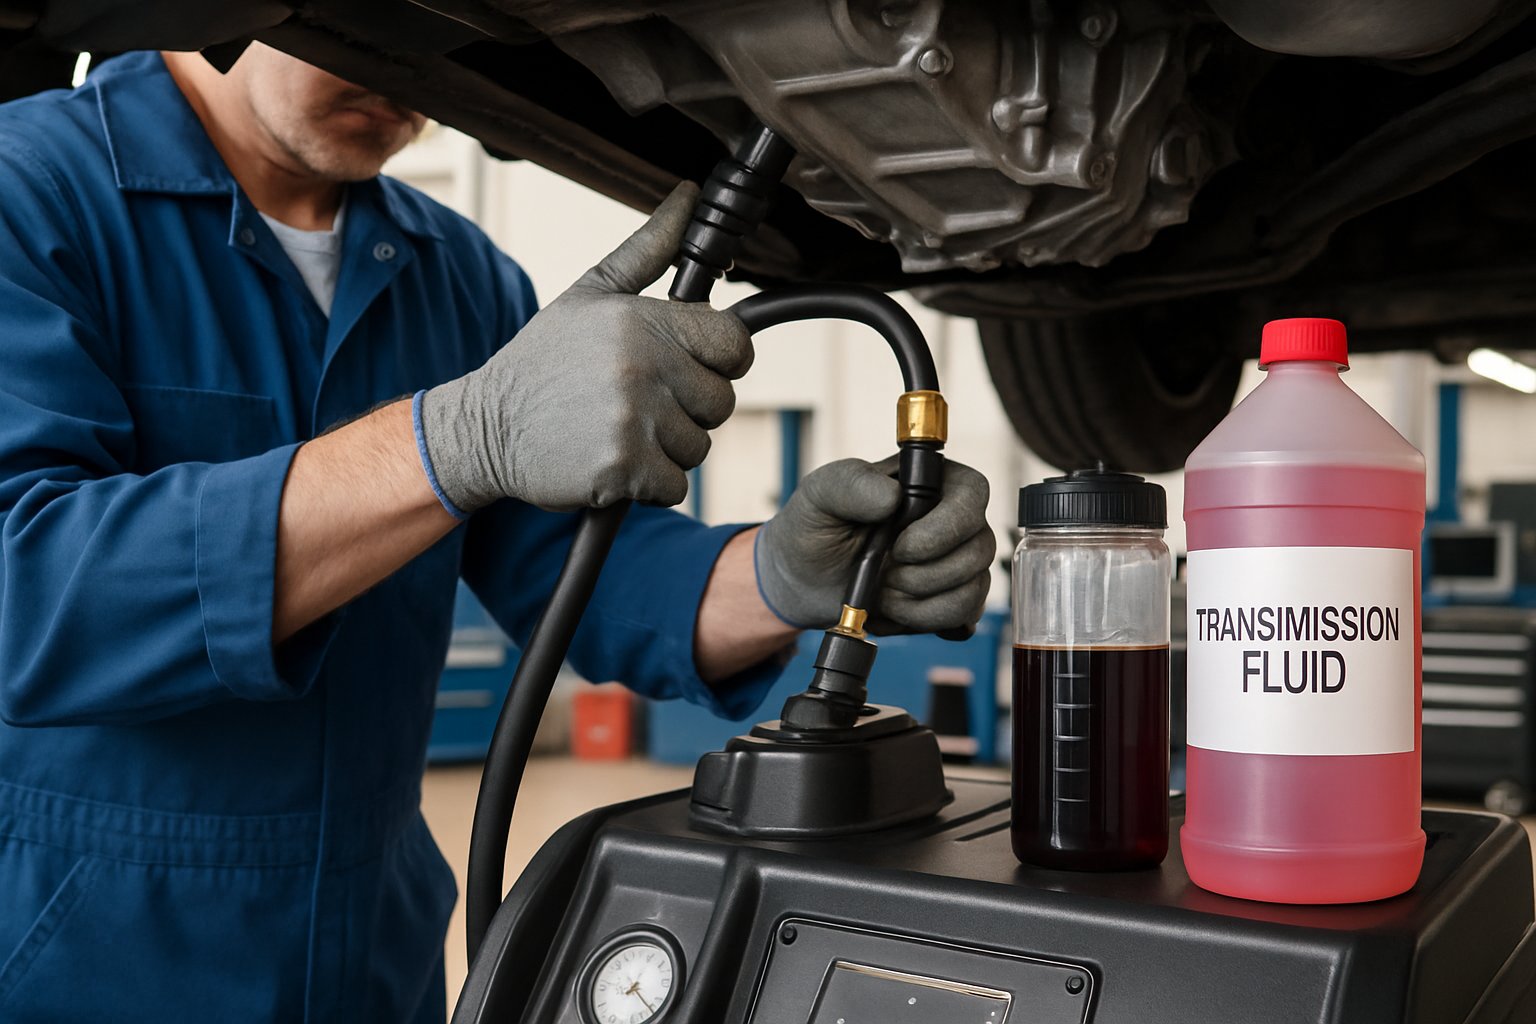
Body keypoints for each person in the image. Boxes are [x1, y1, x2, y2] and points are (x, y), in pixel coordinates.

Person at [0, 45, 995, 1022]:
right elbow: (26, 591)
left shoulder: (457, 274)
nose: (400, 68)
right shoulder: (31, 187)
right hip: (89, 959)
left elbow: (576, 572)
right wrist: (453, 438)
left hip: (372, 957)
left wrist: (781, 575)